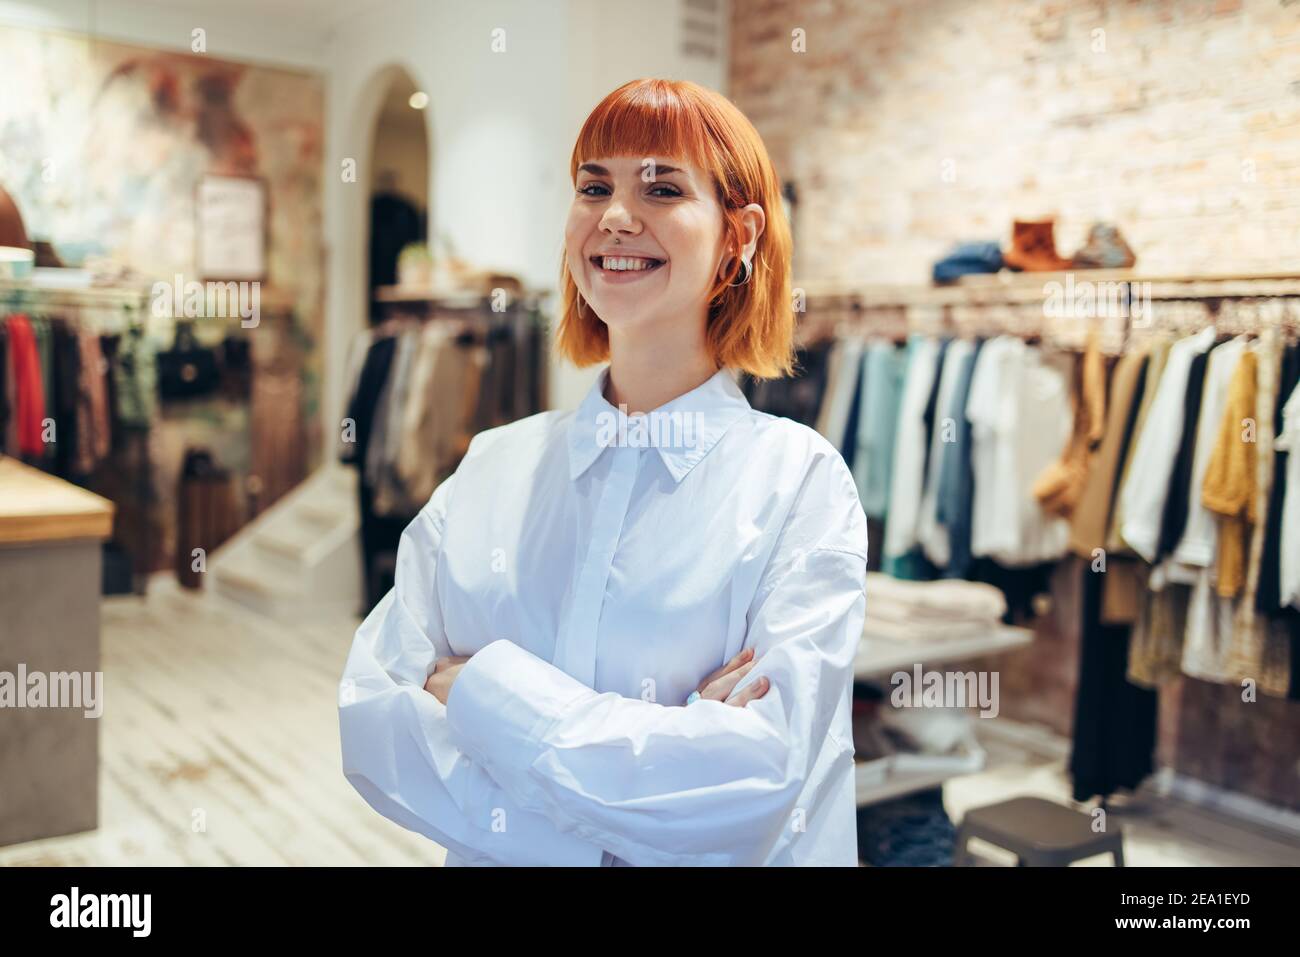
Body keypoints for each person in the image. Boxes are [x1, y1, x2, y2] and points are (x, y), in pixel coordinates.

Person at [338, 78, 868, 866]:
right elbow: (376, 723)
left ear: (739, 234)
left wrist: (484, 692)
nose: (616, 215)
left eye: (661, 186)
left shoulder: (798, 483)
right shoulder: (495, 467)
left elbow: (752, 784)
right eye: (594, 186)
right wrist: (657, 770)